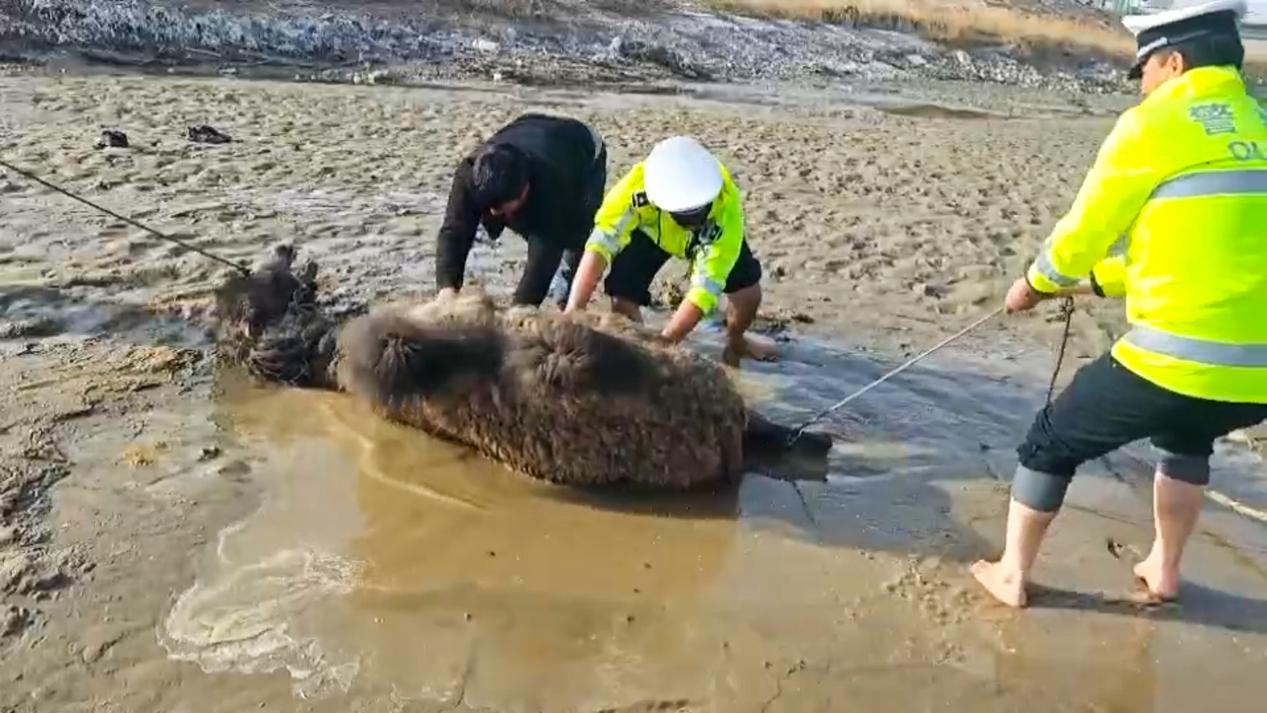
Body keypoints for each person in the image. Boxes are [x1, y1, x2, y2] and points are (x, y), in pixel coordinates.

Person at [972, 0, 1267, 608]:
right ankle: (1164, 569)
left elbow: (1080, 236)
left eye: (1147, 72)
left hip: (1174, 362)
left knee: (1049, 441)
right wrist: (1086, 285)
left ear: (1175, 62)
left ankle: (1011, 575)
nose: (1142, 87)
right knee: (1187, 439)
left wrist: (1034, 283)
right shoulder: (1260, 125)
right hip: (1257, 377)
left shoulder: (1153, 126)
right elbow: (1183, 260)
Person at [564, 136, 776, 367]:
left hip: (710, 237)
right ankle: (633, 352)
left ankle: (737, 341)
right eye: (687, 216)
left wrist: (666, 343)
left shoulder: (726, 210)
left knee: (748, 295)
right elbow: (600, 245)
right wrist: (574, 311)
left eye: (699, 212)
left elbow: (704, 290)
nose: (695, 220)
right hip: (651, 230)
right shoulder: (633, 191)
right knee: (623, 291)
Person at [435, 113, 606, 307]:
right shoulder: (470, 172)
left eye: (502, 207)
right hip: (527, 126)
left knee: (575, 235)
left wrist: (520, 309)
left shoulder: (553, 185)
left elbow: (545, 253)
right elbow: (454, 230)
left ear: (525, 189)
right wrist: (447, 289)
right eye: (490, 206)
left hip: (583, 146)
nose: (494, 212)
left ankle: (566, 299)